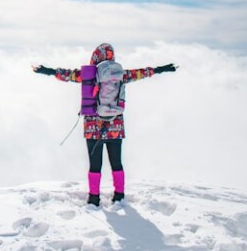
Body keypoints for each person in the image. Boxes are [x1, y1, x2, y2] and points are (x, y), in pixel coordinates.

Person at [32, 43, 176, 206]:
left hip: (93, 127)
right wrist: (161, 69)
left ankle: (94, 198)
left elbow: (68, 75)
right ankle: (119, 195)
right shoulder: (120, 74)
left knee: (95, 164)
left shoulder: (88, 75)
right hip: (115, 126)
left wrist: (47, 71)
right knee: (117, 162)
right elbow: (141, 73)